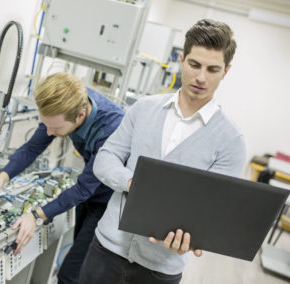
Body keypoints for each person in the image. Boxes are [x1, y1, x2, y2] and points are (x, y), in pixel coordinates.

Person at [79, 19, 246, 284]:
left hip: (160, 269)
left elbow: (213, 211)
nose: (201, 77)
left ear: (226, 71)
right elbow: (105, 158)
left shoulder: (231, 141)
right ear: (182, 60)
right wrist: (133, 183)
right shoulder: (144, 109)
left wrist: (191, 238)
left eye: (213, 69)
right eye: (194, 65)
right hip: (106, 250)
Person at [0, 72, 124, 284]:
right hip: (89, 196)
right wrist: (0, 179)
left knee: (71, 274)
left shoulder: (111, 128)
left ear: (80, 116)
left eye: (55, 128)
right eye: (46, 124)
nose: (49, 132)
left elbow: (84, 188)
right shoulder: (68, 103)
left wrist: (36, 216)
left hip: (109, 201)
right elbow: (32, 148)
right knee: (77, 259)